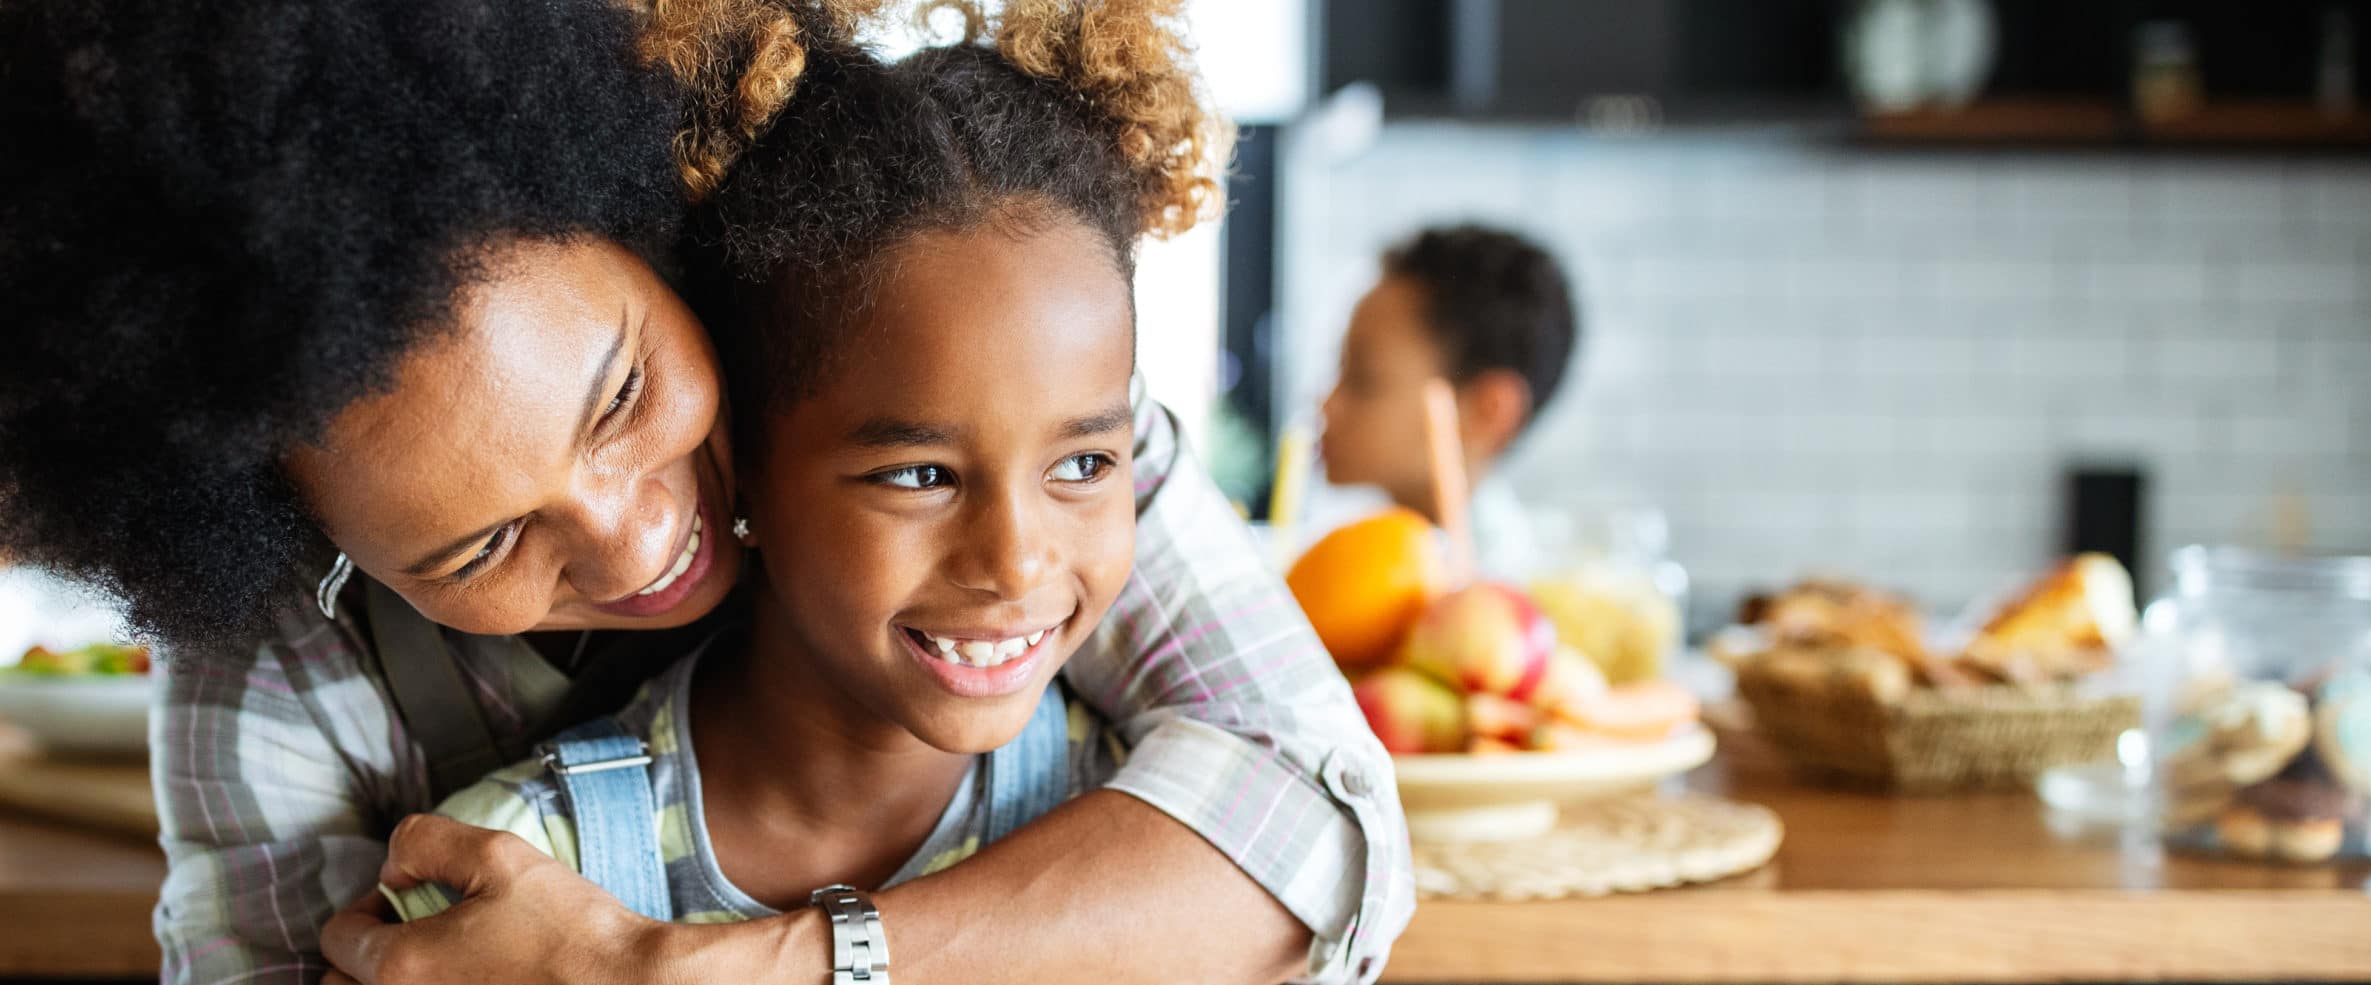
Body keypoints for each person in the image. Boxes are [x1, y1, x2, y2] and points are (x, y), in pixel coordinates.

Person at [0, 1, 1407, 982]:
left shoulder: (961, 403)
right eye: (485, 539)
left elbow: (1322, 826)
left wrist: (698, 971)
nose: (634, 535)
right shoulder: (276, 680)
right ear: (307, 541)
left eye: (620, 395)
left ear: (639, 217)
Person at [391, 11, 1288, 947]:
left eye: (1083, 463)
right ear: (743, 469)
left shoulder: (1171, 835)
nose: (1018, 562)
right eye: (921, 474)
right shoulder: (508, 890)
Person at [1317, 224, 1579, 581]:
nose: (1326, 405)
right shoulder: (1345, 564)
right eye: (1339, 369)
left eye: (1364, 380)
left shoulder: (1496, 599)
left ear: (1487, 411)